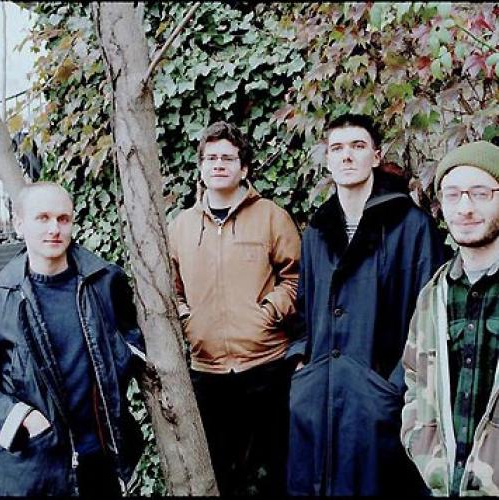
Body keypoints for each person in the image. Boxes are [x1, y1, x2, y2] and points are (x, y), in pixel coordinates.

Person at [286, 113, 448, 496]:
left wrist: (390, 386)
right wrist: (302, 366)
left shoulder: (411, 226)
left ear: (376, 156)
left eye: (357, 147)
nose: (347, 157)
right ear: (327, 159)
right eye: (337, 149)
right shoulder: (317, 230)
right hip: (320, 395)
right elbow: (304, 309)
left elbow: (426, 317)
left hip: (379, 397)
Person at [168, 121, 300, 496]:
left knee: (277, 472)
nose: (218, 164)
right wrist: (187, 321)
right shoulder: (181, 227)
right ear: (201, 168)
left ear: (243, 168)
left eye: (228, 157)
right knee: (224, 477)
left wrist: (269, 313)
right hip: (208, 373)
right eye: (210, 158)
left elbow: (297, 277)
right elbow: (171, 291)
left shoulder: (272, 217)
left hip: (266, 368)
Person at [0, 182, 146, 496]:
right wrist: (19, 416)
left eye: (63, 219)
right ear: (20, 224)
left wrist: (123, 359)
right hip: (34, 467)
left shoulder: (104, 281)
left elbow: (133, 337)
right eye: (43, 218)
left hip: (101, 462)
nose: (55, 228)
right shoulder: (1, 296)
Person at [401, 140, 499, 496]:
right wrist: (424, 453)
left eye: (481, 193)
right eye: (453, 194)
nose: (465, 207)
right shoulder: (433, 295)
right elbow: (415, 379)